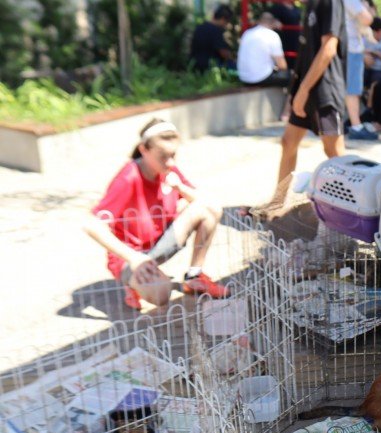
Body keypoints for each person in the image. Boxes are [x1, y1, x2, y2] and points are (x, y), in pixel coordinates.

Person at [84, 119, 230, 310]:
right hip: (132, 257)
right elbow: (92, 225)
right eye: (163, 156)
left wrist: (180, 187)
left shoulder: (167, 168)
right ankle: (132, 284)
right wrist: (134, 258)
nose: (170, 162)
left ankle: (194, 277)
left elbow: (205, 201)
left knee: (210, 208)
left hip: (158, 246)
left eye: (173, 155)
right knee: (161, 294)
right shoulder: (128, 177)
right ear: (144, 149)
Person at [274, 0, 348, 206]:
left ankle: (350, 208)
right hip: (306, 84)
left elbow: (329, 48)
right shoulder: (310, 5)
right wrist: (297, 90)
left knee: (334, 152)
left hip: (325, 88)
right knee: (288, 142)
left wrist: (304, 90)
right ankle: (278, 202)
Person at [343, 0, 377, 140]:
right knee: (353, 89)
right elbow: (367, 18)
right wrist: (368, 10)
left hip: (343, 46)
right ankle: (356, 126)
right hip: (352, 48)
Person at [237, 12, 289, 87]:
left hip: (243, 78)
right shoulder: (272, 35)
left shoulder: (247, 33)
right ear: (274, 22)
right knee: (292, 77)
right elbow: (282, 66)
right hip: (261, 78)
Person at [189, 5, 235, 72]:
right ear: (223, 19)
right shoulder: (216, 30)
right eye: (227, 22)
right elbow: (223, 53)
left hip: (195, 65)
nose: (226, 25)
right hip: (210, 67)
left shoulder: (200, 27)